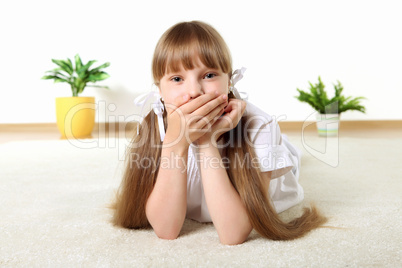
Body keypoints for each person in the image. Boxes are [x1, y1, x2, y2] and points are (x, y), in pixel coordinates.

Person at [112, 21, 326, 245]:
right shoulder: (153, 127)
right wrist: (176, 144)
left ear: (229, 81)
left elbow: (233, 234)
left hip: (271, 157)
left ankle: (288, 149)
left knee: (290, 153)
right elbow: (166, 230)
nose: (194, 92)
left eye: (209, 75)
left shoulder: (260, 125)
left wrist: (207, 140)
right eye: (177, 79)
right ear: (160, 90)